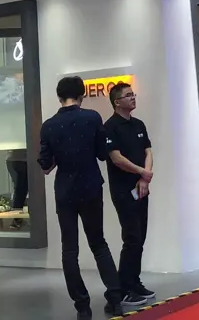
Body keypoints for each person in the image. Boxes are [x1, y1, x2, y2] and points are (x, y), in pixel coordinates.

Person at [39, 75, 127, 317]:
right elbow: (102, 154)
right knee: (98, 243)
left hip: (64, 190)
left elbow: (45, 166)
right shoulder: (92, 118)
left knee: (69, 249)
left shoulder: (49, 125)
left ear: (59, 96)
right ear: (81, 95)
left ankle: (82, 306)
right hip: (90, 187)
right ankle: (115, 298)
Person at [103, 82, 155, 306]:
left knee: (140, 237)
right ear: (117, 102)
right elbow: (116, 158)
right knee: (132, 238)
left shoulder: (139, 124)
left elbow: (148, 151)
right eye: (128, 95)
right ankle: (122, 288)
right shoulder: (110, 127)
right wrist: (141, 172)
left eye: (133, 94)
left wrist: (145, 177)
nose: (133, 98)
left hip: (141, 189)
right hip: (123, 191)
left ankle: (134, 281)